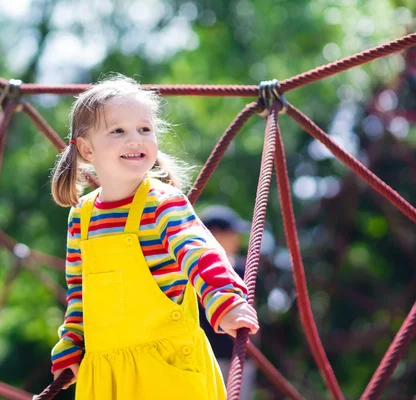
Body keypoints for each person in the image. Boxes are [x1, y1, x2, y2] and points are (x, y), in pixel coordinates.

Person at [48, 74, 259, 399]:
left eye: (144, 129)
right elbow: (79, 291)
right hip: (107, 376)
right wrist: (72, 342)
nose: (135, 139)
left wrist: (224, 299)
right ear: (87, 148)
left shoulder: (162, 203)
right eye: (118, 130)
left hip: (166, 368)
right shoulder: (82, 216)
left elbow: (200, 253)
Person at [199, 205, 257, 400]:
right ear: (214, 234)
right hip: (205, 357)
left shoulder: (241, 268)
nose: (238, 239)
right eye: (232, 233)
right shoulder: (194, 270)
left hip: (236, 358)